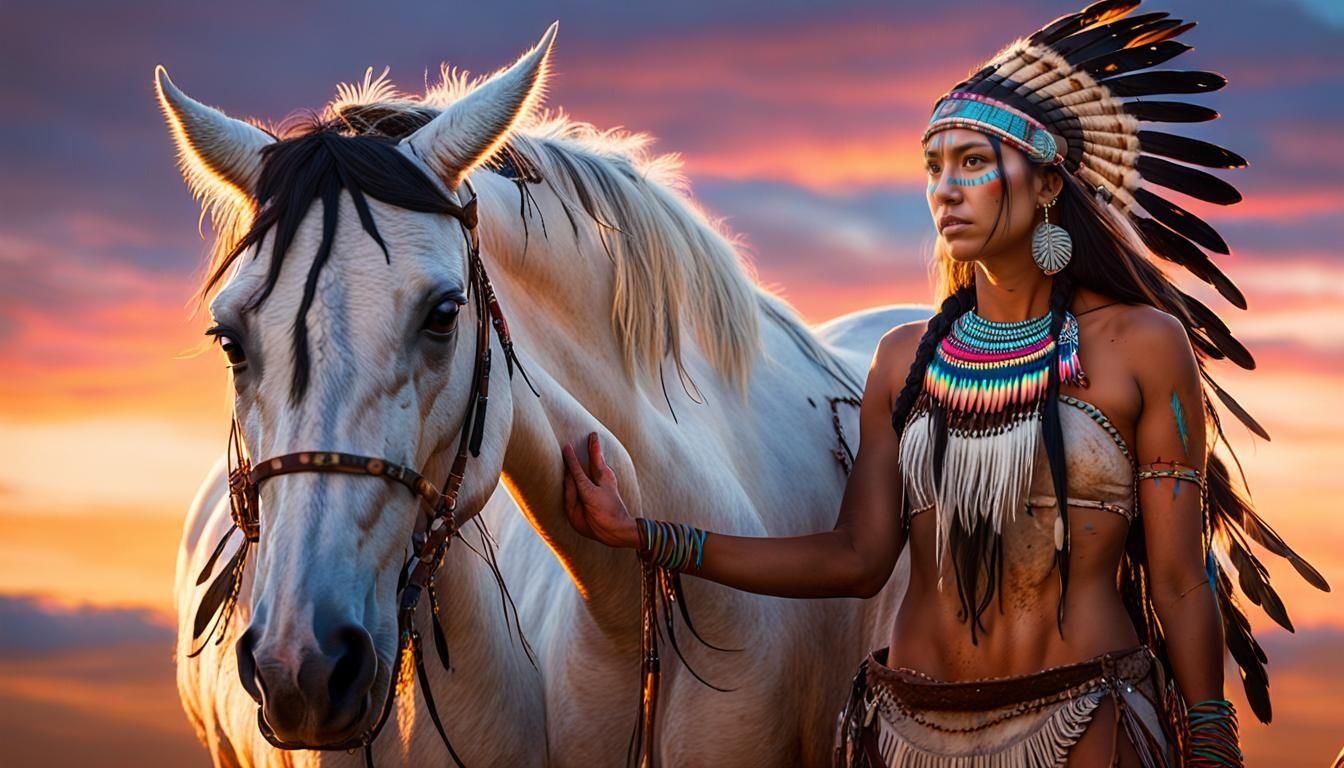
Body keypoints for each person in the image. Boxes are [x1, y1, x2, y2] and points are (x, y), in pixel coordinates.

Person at [559, 2, 1326, 765]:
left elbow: (1179, 579)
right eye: (933, 168)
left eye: (973, 163)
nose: (945, 192)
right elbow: (855, 560)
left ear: (1047, 184)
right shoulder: (904, 361)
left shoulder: (1141, 347)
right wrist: (647, 536)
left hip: (1086, 726)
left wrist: (1210, 737)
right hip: (907, 735)